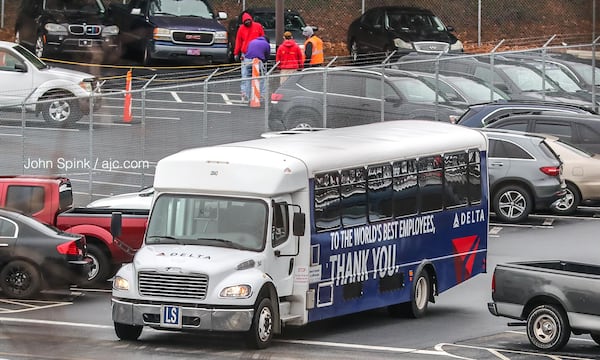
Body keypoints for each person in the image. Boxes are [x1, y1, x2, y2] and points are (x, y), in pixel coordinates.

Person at [234, 13, 265, 102]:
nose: (247, 22)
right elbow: (238, 41)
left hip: (257, 54)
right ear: (243, 22)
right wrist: (236, 52)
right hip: (246, 54)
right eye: (245, 21)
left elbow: (263, 38)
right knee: (245, 76)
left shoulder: (258, 26)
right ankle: (245, 94)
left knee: (260, 75)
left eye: (249, 20)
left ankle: (260, 95)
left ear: (251, 20)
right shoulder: (241, 29)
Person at [243, 36, 270, 103]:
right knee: (262, 79)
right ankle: (260, 96)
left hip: (248, 60)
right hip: (258, 61)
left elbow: (247, 51)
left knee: (248, 78)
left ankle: (248, 97)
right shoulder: (266, 44)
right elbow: (267, 56)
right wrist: (264, 61)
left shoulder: (252, 41)